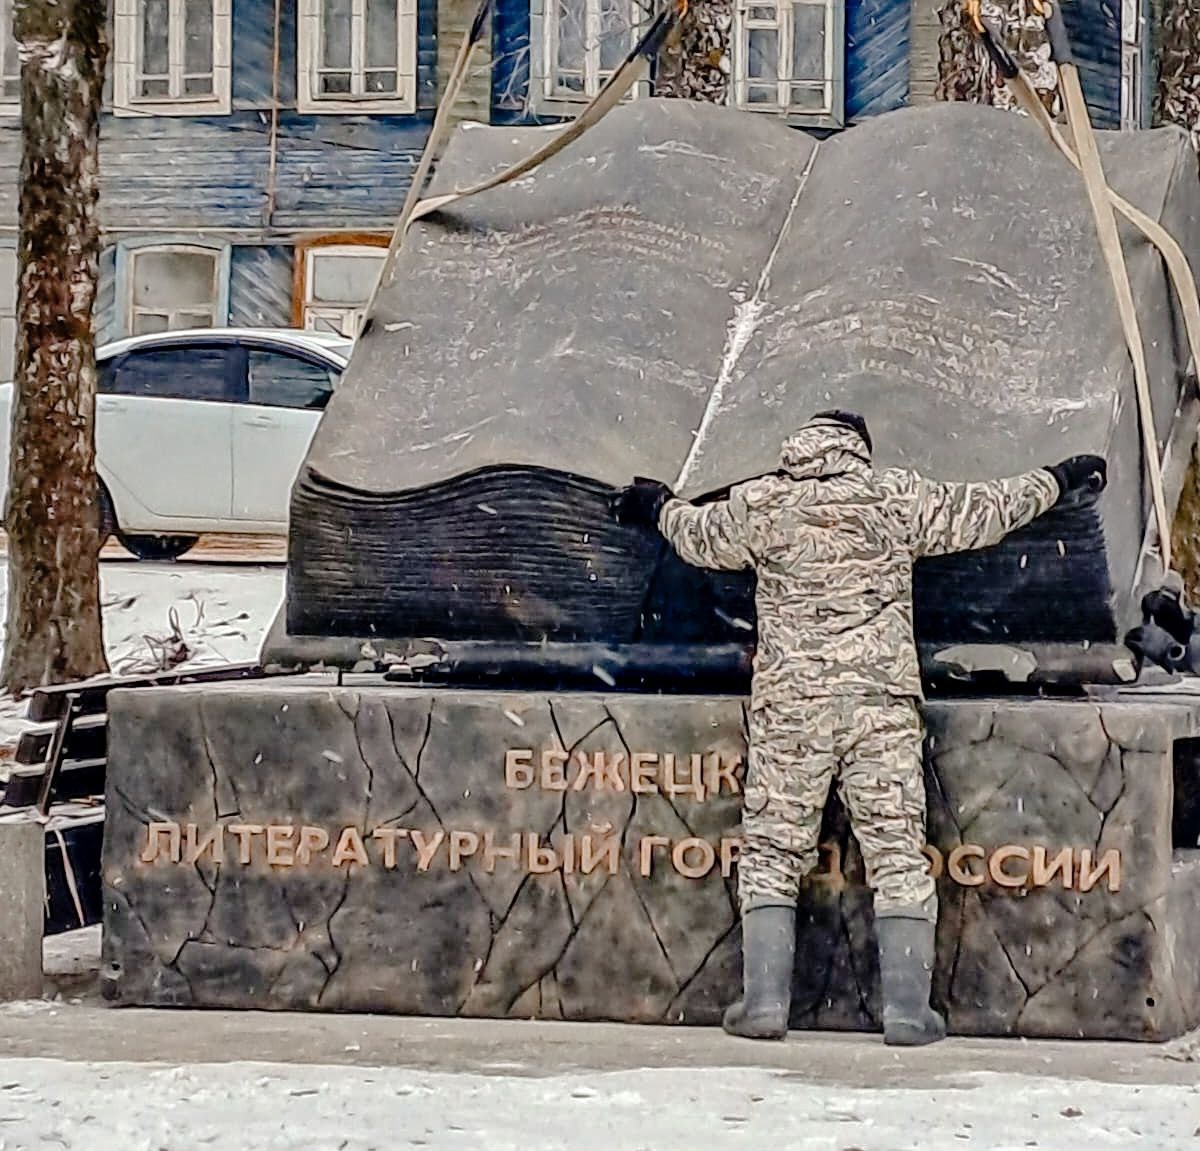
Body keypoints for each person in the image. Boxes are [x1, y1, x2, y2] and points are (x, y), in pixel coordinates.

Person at [610, 410, 1105, 1046]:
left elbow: (697, 537)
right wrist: (1060, 478)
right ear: (859, 450)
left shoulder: (764, 502)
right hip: (879, 707)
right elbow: (988, 509)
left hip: (792, 706)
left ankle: (763, 1004)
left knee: (770, 853)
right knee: (897, 854)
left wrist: (657, 505)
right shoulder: (893, 496)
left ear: (801, 446)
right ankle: (906, 1013)